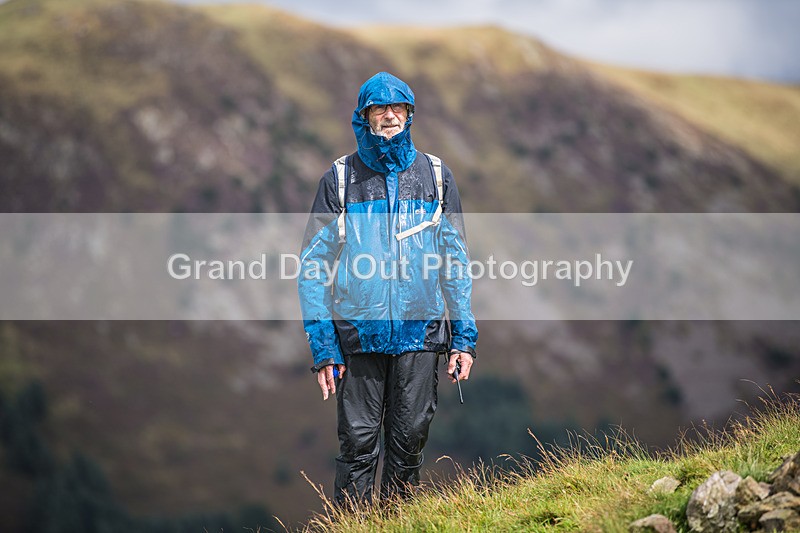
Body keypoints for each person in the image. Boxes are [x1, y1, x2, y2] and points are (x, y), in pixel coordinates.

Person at [297, 71, 478, 506]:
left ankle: (398, 521)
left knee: (409, 443)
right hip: (359, 337)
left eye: (398, 107)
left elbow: (455, 263)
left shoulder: (436, 176)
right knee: (358, 445)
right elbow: (312, 268)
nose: (390, 115)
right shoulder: (340, 179)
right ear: (364, 117)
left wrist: (464, 340)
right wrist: (323, 346)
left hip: (420, 335)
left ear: (410, 114)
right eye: (379, 108)